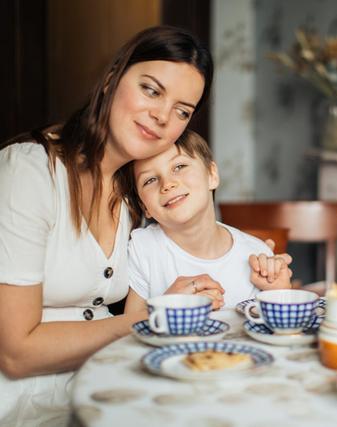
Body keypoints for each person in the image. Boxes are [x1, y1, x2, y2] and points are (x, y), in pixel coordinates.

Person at [0, 26, 218, 426]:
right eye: (151, 90)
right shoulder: (29, 171)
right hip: (22, 406)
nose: (162, 117)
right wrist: (146, 321)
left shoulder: (134, 190)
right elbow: (15, 353)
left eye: (183, 111)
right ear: (113, 78)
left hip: (102, 387)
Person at [121, 130, 292, 313]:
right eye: (150, 180)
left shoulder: (257, 256)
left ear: (212, 175)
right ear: (144, 206)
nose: (167, 184)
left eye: (179, 167)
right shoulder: (144, 249)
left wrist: (280, 293)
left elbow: (279, 332)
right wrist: (167, 306)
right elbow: (128, 331)